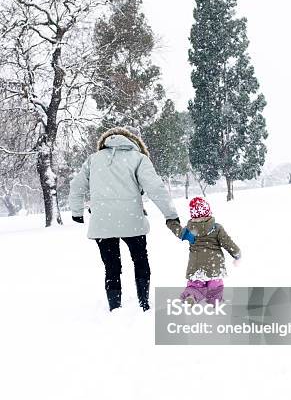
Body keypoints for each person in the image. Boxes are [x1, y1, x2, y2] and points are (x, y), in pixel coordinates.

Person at [69, 127, 180, 312]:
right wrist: (170, 215)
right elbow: (155, 188)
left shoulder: (93, 160)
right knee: (140, 260)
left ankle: (115, 307)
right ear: (133, 142)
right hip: (132, 220)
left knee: (111, 266)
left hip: (103, 222)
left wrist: (76, 212)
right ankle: (144, 303)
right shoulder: (139, 159)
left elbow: (76, 185)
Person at [166, 196, 241, 304]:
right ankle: (215, 301)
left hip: (196, 266)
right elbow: (228, 243)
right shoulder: (216, 228)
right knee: (215, 286)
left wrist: (171, 222)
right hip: (215, 265)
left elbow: (178, 231)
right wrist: (237, 254)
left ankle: (192, 295)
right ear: (208, 212)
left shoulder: (190, 231)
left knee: (196, 284)